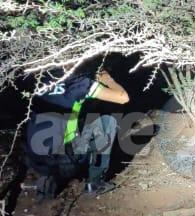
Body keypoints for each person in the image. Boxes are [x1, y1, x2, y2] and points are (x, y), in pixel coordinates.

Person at [24, 65, 130, 198]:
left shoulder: (37, 78)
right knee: (107, 122)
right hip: (65, 161)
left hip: (35, 160)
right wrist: (106, 79)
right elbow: (123, 98)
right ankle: (94, 183)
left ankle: (47, 180)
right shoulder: (78, 82)